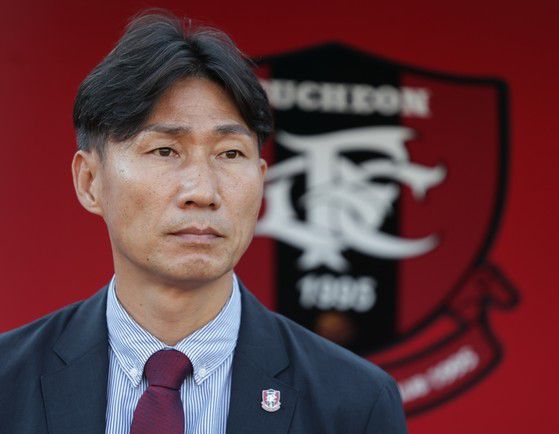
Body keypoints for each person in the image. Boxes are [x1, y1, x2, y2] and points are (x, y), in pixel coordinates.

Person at [0, 9, 408, 434]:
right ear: (89, 181)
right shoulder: (9, 382)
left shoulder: (354, 403)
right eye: (165, 151)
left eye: (230, 154)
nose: (202, 191)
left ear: (261, 179)